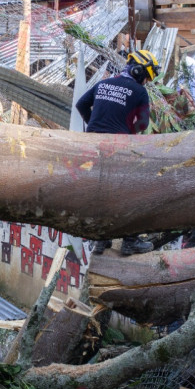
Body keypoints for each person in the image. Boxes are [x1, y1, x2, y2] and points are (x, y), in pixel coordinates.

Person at [76, 50, 157, 256]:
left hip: (92, 146)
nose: (145, 82)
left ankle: (102, 241)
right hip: (116, 147)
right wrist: (129, 132)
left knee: (103, 193)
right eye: (146, 77)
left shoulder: (103, 83)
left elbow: (81, 104)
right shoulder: (139, 92)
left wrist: (95, 125)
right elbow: (143, 123)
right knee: (133, 191)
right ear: (139, 71)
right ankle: (131, 241)